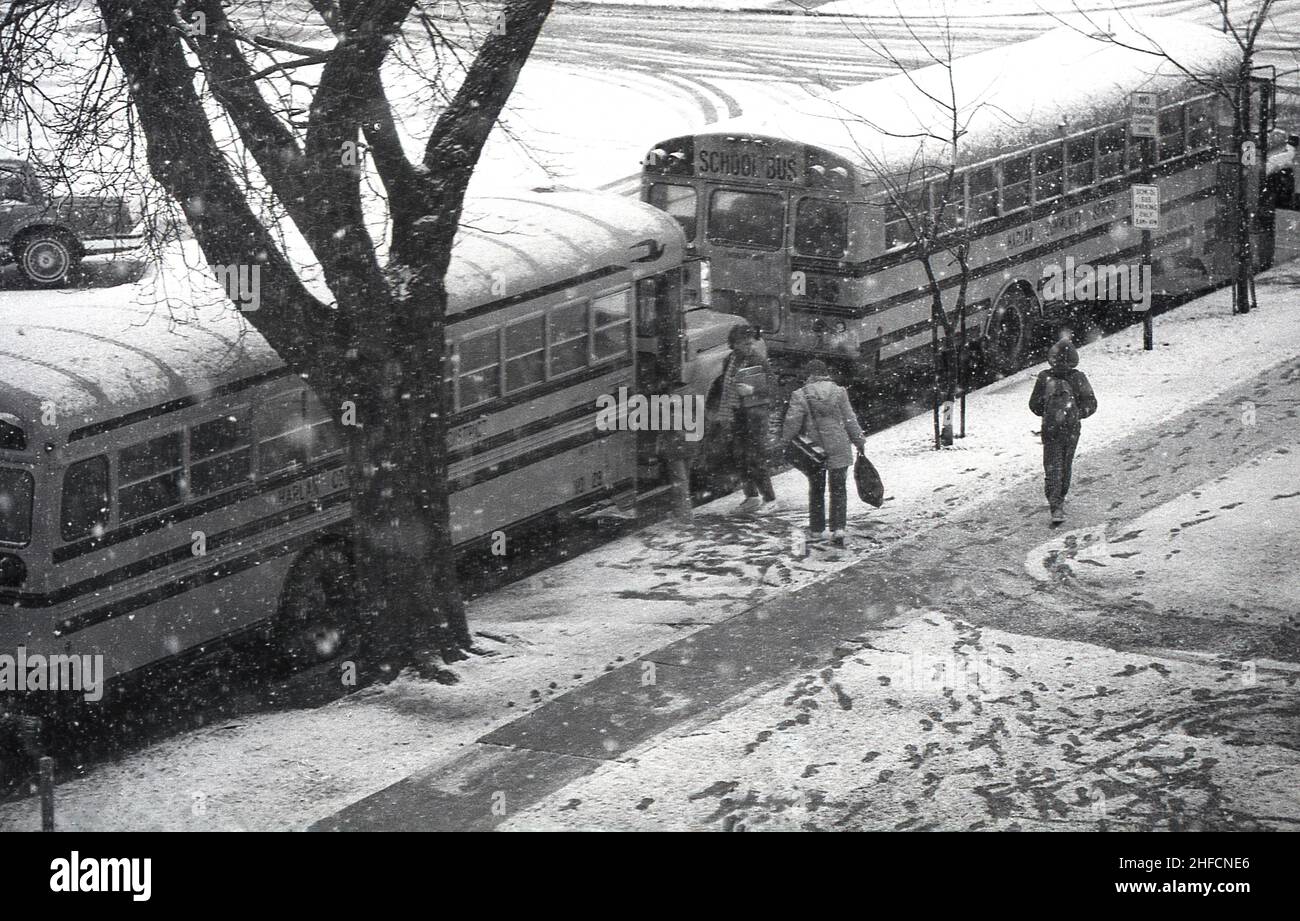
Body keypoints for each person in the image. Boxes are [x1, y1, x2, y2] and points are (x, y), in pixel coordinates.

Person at [781, 359, 865, 547]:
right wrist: (859, 440)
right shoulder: (839, 392)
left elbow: (793, 421)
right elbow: (850, 419)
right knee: (839, 489)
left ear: (809, 375)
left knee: (817, 489)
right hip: (839, 444)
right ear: (826, 373)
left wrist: (786, 440)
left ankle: (817, 530)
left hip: (814, 448)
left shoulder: (800, 394)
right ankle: (839, 528)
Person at [1029, 337, 1098, 525]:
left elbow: (1034, 405)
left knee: (1052, 465)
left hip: (1050, 429)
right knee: (1066, 464)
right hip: (1071, 429)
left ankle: (1055, 503)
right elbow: (1091, 404)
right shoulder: (1078, 377)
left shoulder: (1045, 377)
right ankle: (1060, 498)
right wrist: (1075, 413)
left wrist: (1049, 411)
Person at [718, 323, 777, 513]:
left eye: (751, 344)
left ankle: (770, 498)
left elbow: (772, 388)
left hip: (754, 417)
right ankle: (751, 495)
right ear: (734, 344)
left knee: (756, 458)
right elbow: (725, 388)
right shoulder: (730, 360)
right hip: (735, 414)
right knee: (738, 457)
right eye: (745, 344)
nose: (750, 348)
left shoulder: (759, 361)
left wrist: (753, 391)